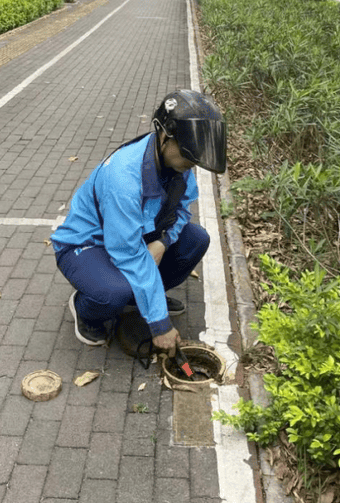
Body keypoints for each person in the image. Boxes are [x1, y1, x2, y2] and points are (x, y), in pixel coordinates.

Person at [51, 90, 227, 356]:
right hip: (87, 244)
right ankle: (86, 308)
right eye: (189, 156)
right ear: (164, 136)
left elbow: (182, 211)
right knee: (112, 294)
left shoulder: (179, 166)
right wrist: (160, 324)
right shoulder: (124, 178)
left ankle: (140, 298)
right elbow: (129, 254)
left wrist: (163, 242)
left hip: (134, 237)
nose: (192, 165)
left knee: (196, 239)